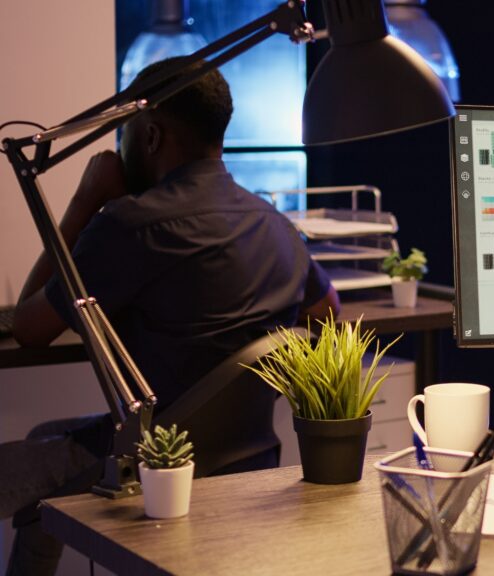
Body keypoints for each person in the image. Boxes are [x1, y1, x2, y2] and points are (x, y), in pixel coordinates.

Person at [3, 57, 340, 575]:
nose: (120, 148)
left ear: (152, 136)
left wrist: (84, 199)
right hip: (246, 458)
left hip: (150, 466)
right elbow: (329, 321)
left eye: (124, 134)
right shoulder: (276, 226)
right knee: (45, 431)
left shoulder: (130, 225)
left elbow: (28, 327)